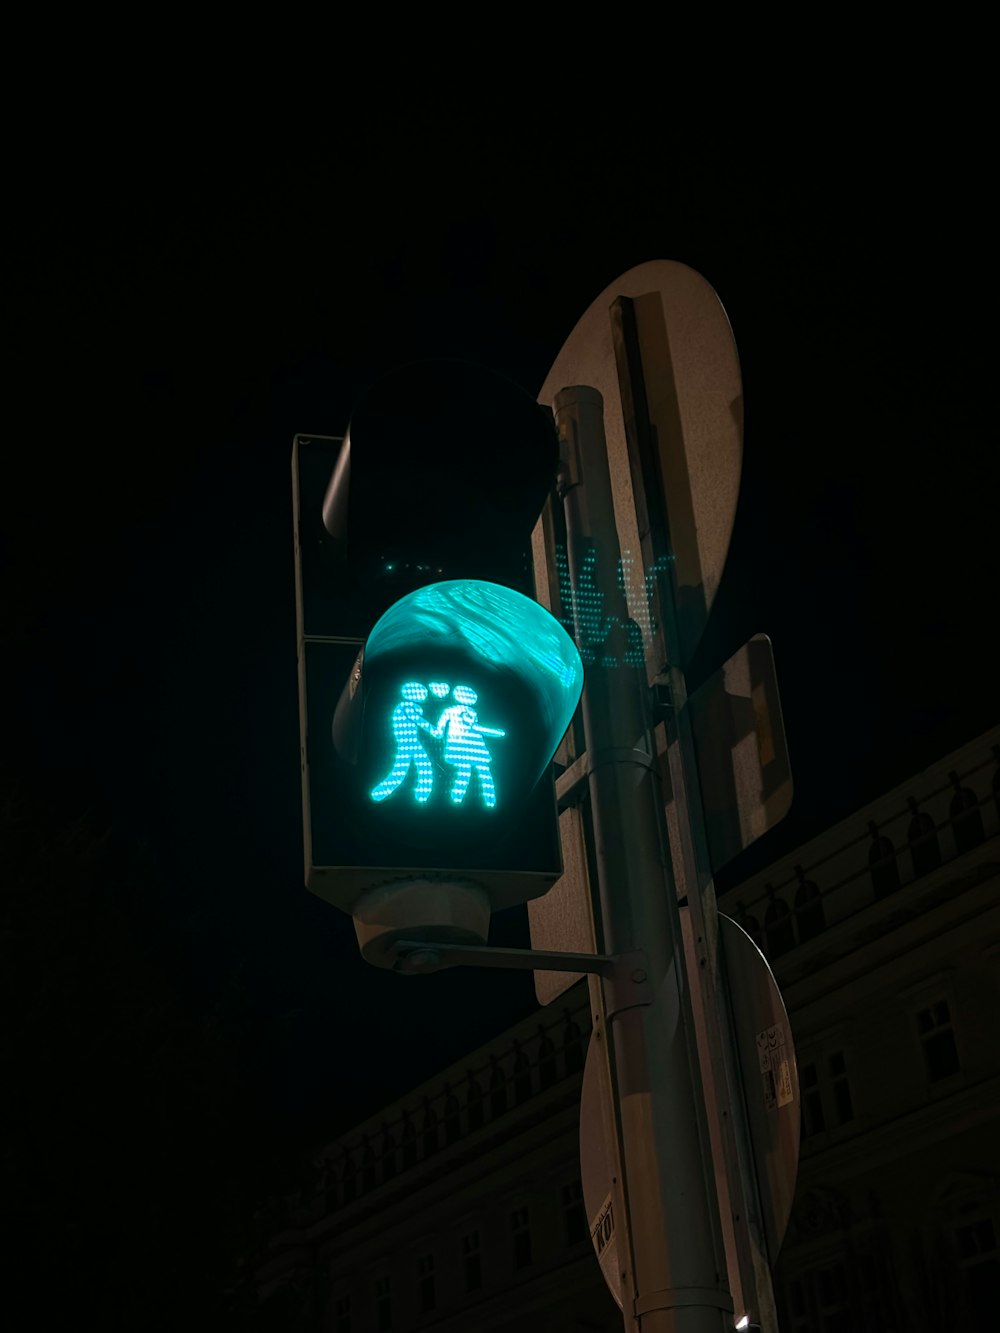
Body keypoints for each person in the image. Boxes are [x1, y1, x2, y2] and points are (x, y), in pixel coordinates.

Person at [435, 685, 505, 808]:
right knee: (483, 772)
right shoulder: (467, 712)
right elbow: (475, 727)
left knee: (465, 772)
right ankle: (489, 800)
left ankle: (456, 798)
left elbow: (441, 726)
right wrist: (495, 732)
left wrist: (438, 732)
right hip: (472, 747)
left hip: (462, 746)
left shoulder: (458, 711)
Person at [370, 682, 438, 804]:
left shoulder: (405, 707)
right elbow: (418, 720)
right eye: (423, 693)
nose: (425, 695)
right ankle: (380, 793)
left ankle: (421, 794)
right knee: (406, 769)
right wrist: (433, 730)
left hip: (410, 741)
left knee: (418, 767)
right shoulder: (407, 707)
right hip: (408, 742)